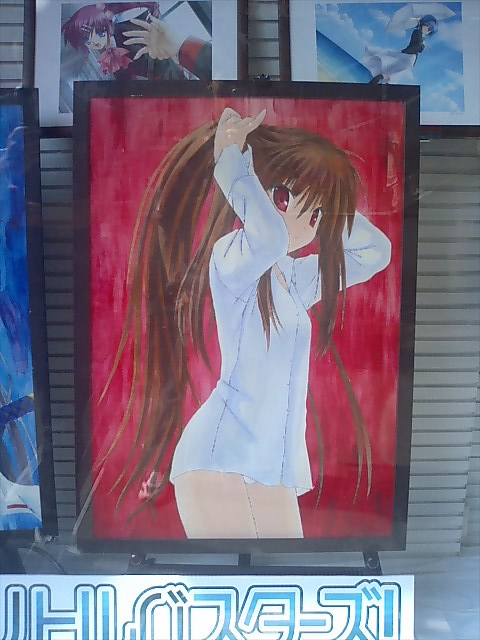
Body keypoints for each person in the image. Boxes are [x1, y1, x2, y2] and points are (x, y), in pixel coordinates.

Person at [100, 107, 391, 538]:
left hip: (270, 466)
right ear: (254, 193)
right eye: (284, 198)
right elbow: (271, 236)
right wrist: (232, 165)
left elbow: (376, 253)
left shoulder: (293, 279)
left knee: (287, 575)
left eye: (313, 215)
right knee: (229, 577)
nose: (300, 224)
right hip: (217, 455)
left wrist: (329, 209)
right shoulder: (231, 256)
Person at [366, 14, 438, 84]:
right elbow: (418, 47)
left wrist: (422, 44)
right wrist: (423, 45)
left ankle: (380, 78)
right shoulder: (417, 32)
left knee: (392, 69)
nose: (427, 29)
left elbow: (418, 46)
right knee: (391, 65)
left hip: (409, 57)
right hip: (408, 56)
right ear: (424, 24)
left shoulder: (420, 34)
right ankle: (380, 77)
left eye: (429, 30)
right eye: (427, 26)